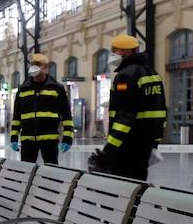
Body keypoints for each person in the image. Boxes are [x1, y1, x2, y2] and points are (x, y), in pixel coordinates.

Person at [90, 33, 166, 181]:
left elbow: (124, 117)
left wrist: (109, 150)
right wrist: (155, 142)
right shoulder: (152, 74)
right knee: (138, 184)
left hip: (127, 145)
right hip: (145, 144)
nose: (112, 54)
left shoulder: (126, 76)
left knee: (122, 189)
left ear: (127, 52)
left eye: (115, 50)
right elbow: (161, 111)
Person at [8, 53, 73, 164]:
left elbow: (66, 115)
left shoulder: (57, 88)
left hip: (50, 140)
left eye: (38, 64)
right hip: (28, 140)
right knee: (27, 172)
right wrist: (14, 137)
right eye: (32, 64)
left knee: (51, 171)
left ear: (46, 67)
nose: (34, 67)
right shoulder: (23, 89)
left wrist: (68, 137)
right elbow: (17, 116)